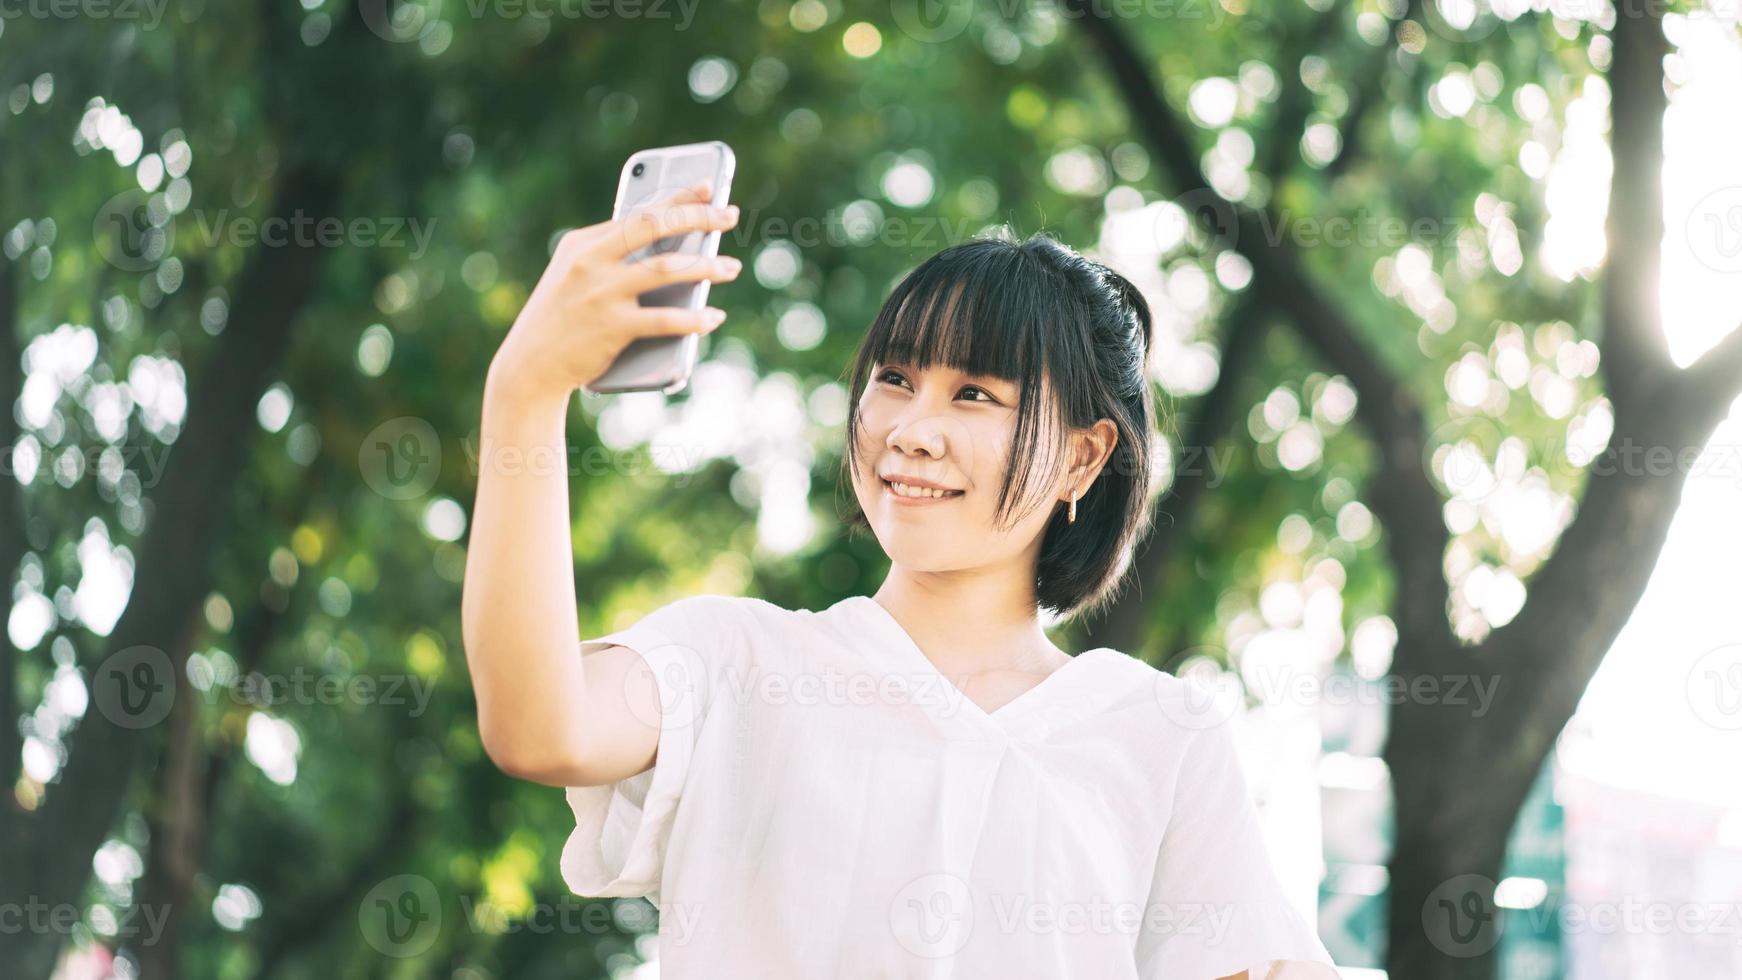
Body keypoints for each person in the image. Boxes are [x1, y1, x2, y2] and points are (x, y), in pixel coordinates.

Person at [462, 180, 1340, 979]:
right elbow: (540, 727)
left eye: (974, 395)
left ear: (1083, 457)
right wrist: (527, 392)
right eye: (894, 379)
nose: (912, 429)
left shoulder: (1161, 736)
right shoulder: (733, 660)